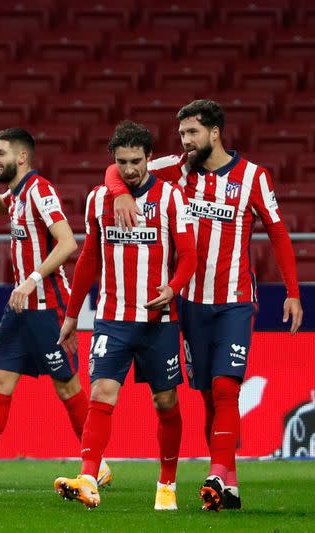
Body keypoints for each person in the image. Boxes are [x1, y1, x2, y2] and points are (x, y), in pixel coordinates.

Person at [106, 100, 303, 511]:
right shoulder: (177, 168)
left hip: (233, 301)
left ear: (215, 132)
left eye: (192, 133)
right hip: (190, 303)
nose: (185, 141)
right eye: (181, 135)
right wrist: (120, 193)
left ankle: (215, 473)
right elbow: (118, 167)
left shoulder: (253, 177)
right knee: (209, 398)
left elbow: (279, 234)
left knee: (226, 386)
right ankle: (228, 483)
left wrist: (292, 291)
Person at [0, 128, 111, 489]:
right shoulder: (17, 193)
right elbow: (0, 204)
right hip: (18, 306)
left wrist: (31, 278)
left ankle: (98, 464)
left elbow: (66, 243)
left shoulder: (40, 190)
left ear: (22, 157)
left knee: (66, 387)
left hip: (45, 304)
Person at [54, 121, 197, 510]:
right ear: (113, 162)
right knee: (101, 392)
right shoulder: (98, 198)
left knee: (165, 402)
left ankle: (166, 482)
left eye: (137, 161)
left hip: (159, 320)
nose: (130, 169)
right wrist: (71, 315)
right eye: (122, 162)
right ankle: (88, 476)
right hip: (112, 318)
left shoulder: (170, 198)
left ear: (151, 158)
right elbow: (88, 259)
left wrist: (174, 288)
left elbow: (188, 256)